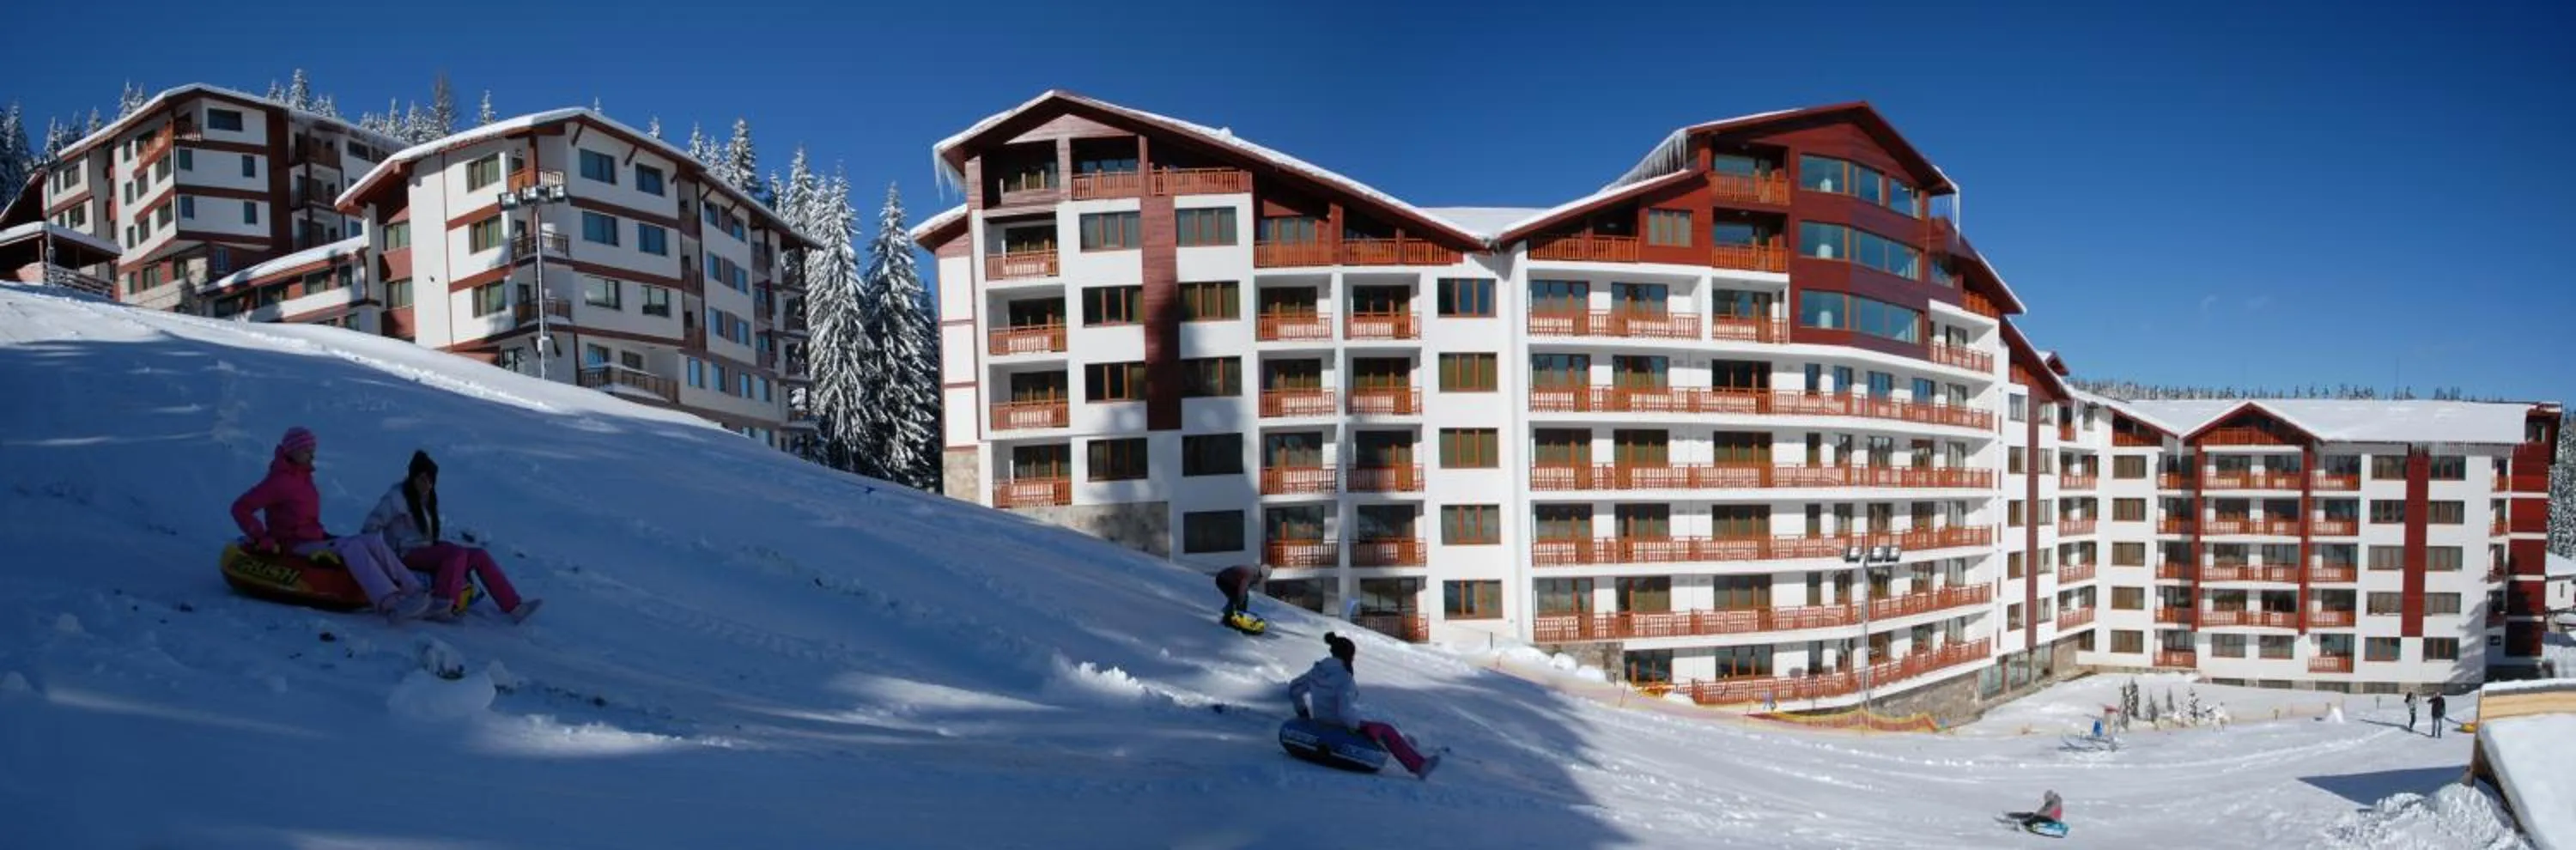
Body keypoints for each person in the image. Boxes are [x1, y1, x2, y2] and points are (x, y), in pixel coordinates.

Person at [231, 427, 433, 620]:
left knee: (371, 541)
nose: (312, 455)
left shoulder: (303, 476)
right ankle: (390, 603)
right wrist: (261, 536)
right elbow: (241, 507)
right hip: (294, 544)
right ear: (293, 451)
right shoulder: (279, 481)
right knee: (352, 547)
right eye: (307, 450)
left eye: (313, 450)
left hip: (312, 538)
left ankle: (415, 590)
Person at [362, 450, 543, 624]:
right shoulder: (396, 497)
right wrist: (383, 557)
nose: (427, 485)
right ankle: (442, 605)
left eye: (430, 481)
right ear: (413, 477)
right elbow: (371, 525)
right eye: (422, 479)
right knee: (454, 554)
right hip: (405, 554)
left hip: (426, 549)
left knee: (479, 556)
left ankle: (514, 607)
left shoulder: (427, 498)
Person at [1287, 632, 1440, 780]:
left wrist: (1303, 712)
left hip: (1321, 720)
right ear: (1348, 655)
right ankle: (1419, 766)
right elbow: (1344, 712)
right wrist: (1356, 727)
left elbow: (1295, 689)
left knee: (1376, 723)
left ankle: (1406, 744)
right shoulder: (1343, 678)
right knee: (1385, 729)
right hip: (1340, 725)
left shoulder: (1317, 671)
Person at [1213, 564, 1263, 628]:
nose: (1257, 583)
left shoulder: (1254, 574)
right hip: (1222, 580)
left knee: (1242, 597)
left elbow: (1244, 590)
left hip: (1232, 581)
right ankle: (1227, 620)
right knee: (1235, 597)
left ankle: (1240, 617)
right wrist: (1240, 601)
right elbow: (1242, 589)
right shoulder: (1249, 575)